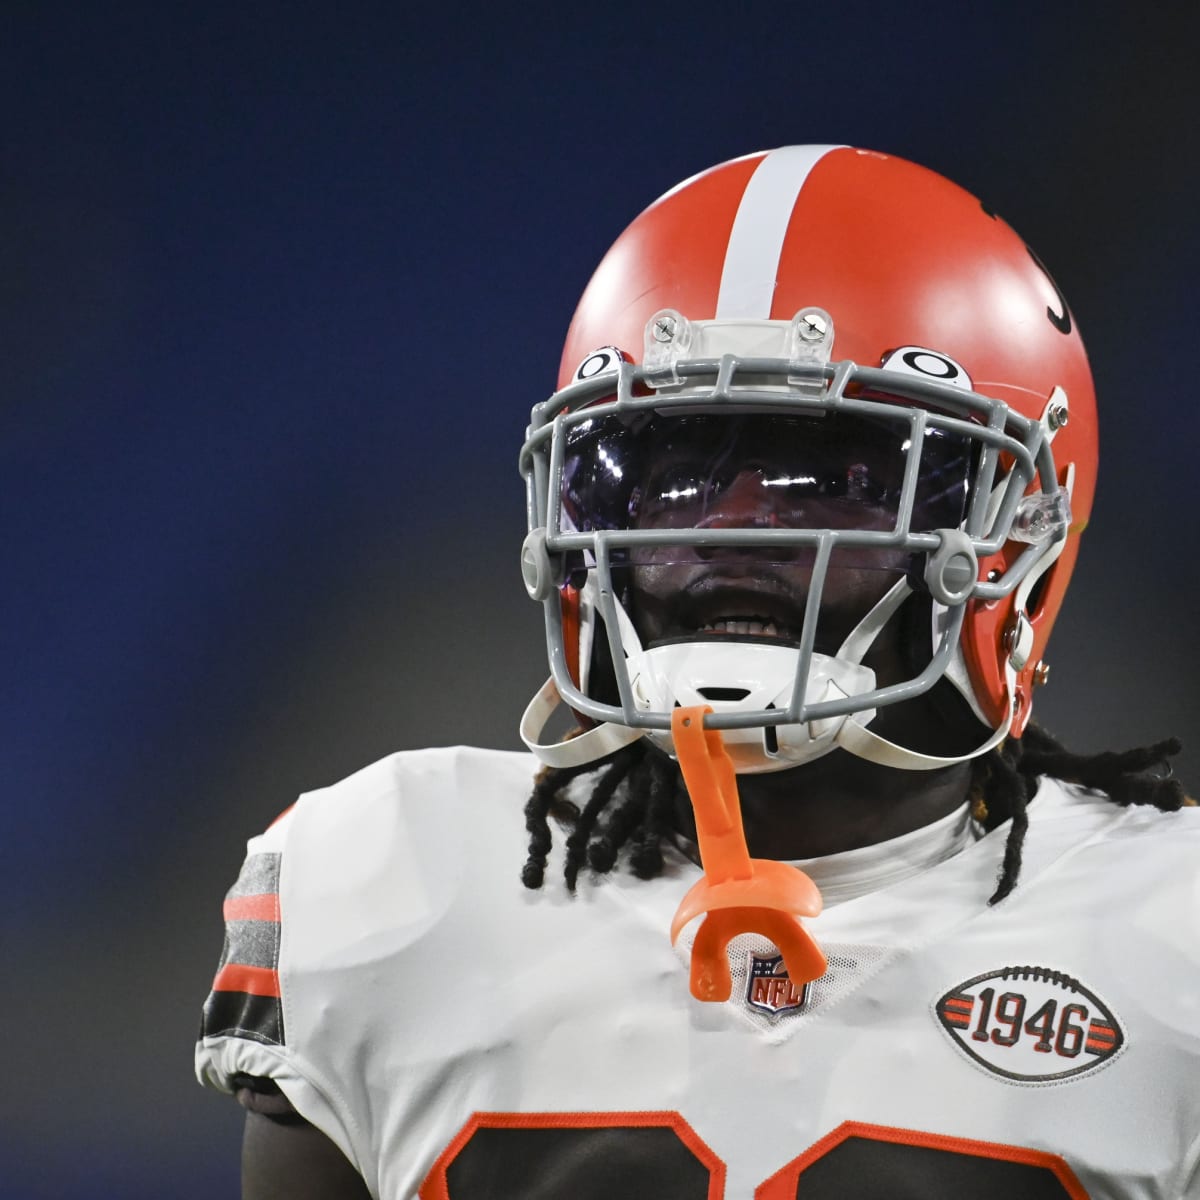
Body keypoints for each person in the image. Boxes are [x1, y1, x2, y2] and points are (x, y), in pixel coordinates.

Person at [196, 145, 1198, 1199]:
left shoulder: (1165, 932)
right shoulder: (388, 880)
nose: (739, 527)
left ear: (1012, 538)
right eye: (677, 472)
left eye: (836, 476)